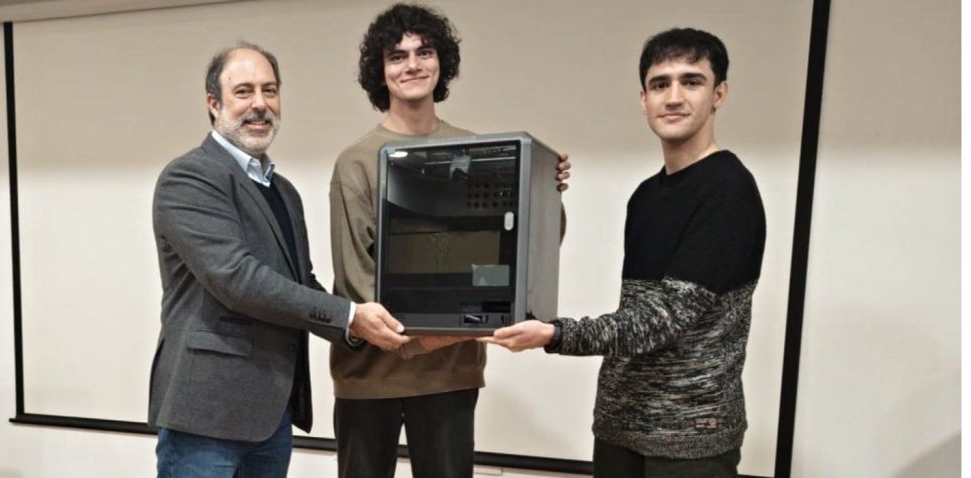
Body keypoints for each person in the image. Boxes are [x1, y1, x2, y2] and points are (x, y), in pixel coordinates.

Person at [484, 28, 766, 478]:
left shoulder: (728, 192)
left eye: (691, 81)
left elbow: (662, 321)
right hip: (620, 429)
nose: (673, 97)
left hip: (690, 440)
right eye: (660, 84)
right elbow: (634, 313)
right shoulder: (645, 196)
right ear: (643, 99)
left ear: (719, 94)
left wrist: (554, 334)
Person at [327, 4, 570, 477]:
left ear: (442, 62)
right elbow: (357, 281)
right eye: (397, 56)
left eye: (425, 52)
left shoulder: (480, 151)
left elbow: (523, 251)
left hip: (449, 376)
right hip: (369, 380)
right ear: (380, 71)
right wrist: (440, 334)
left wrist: (547, 188)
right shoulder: (356, 162)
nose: (412, 65)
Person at [148, 42, 410, 478]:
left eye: (269, 91)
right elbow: (238, 280)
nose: (260, 104)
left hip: (271, 415)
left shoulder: (283, 191)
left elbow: (301, 282)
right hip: (206, 416)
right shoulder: (190, 177)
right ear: (214, 104)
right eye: (244, 91)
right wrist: (349, 315)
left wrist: (362, 328)